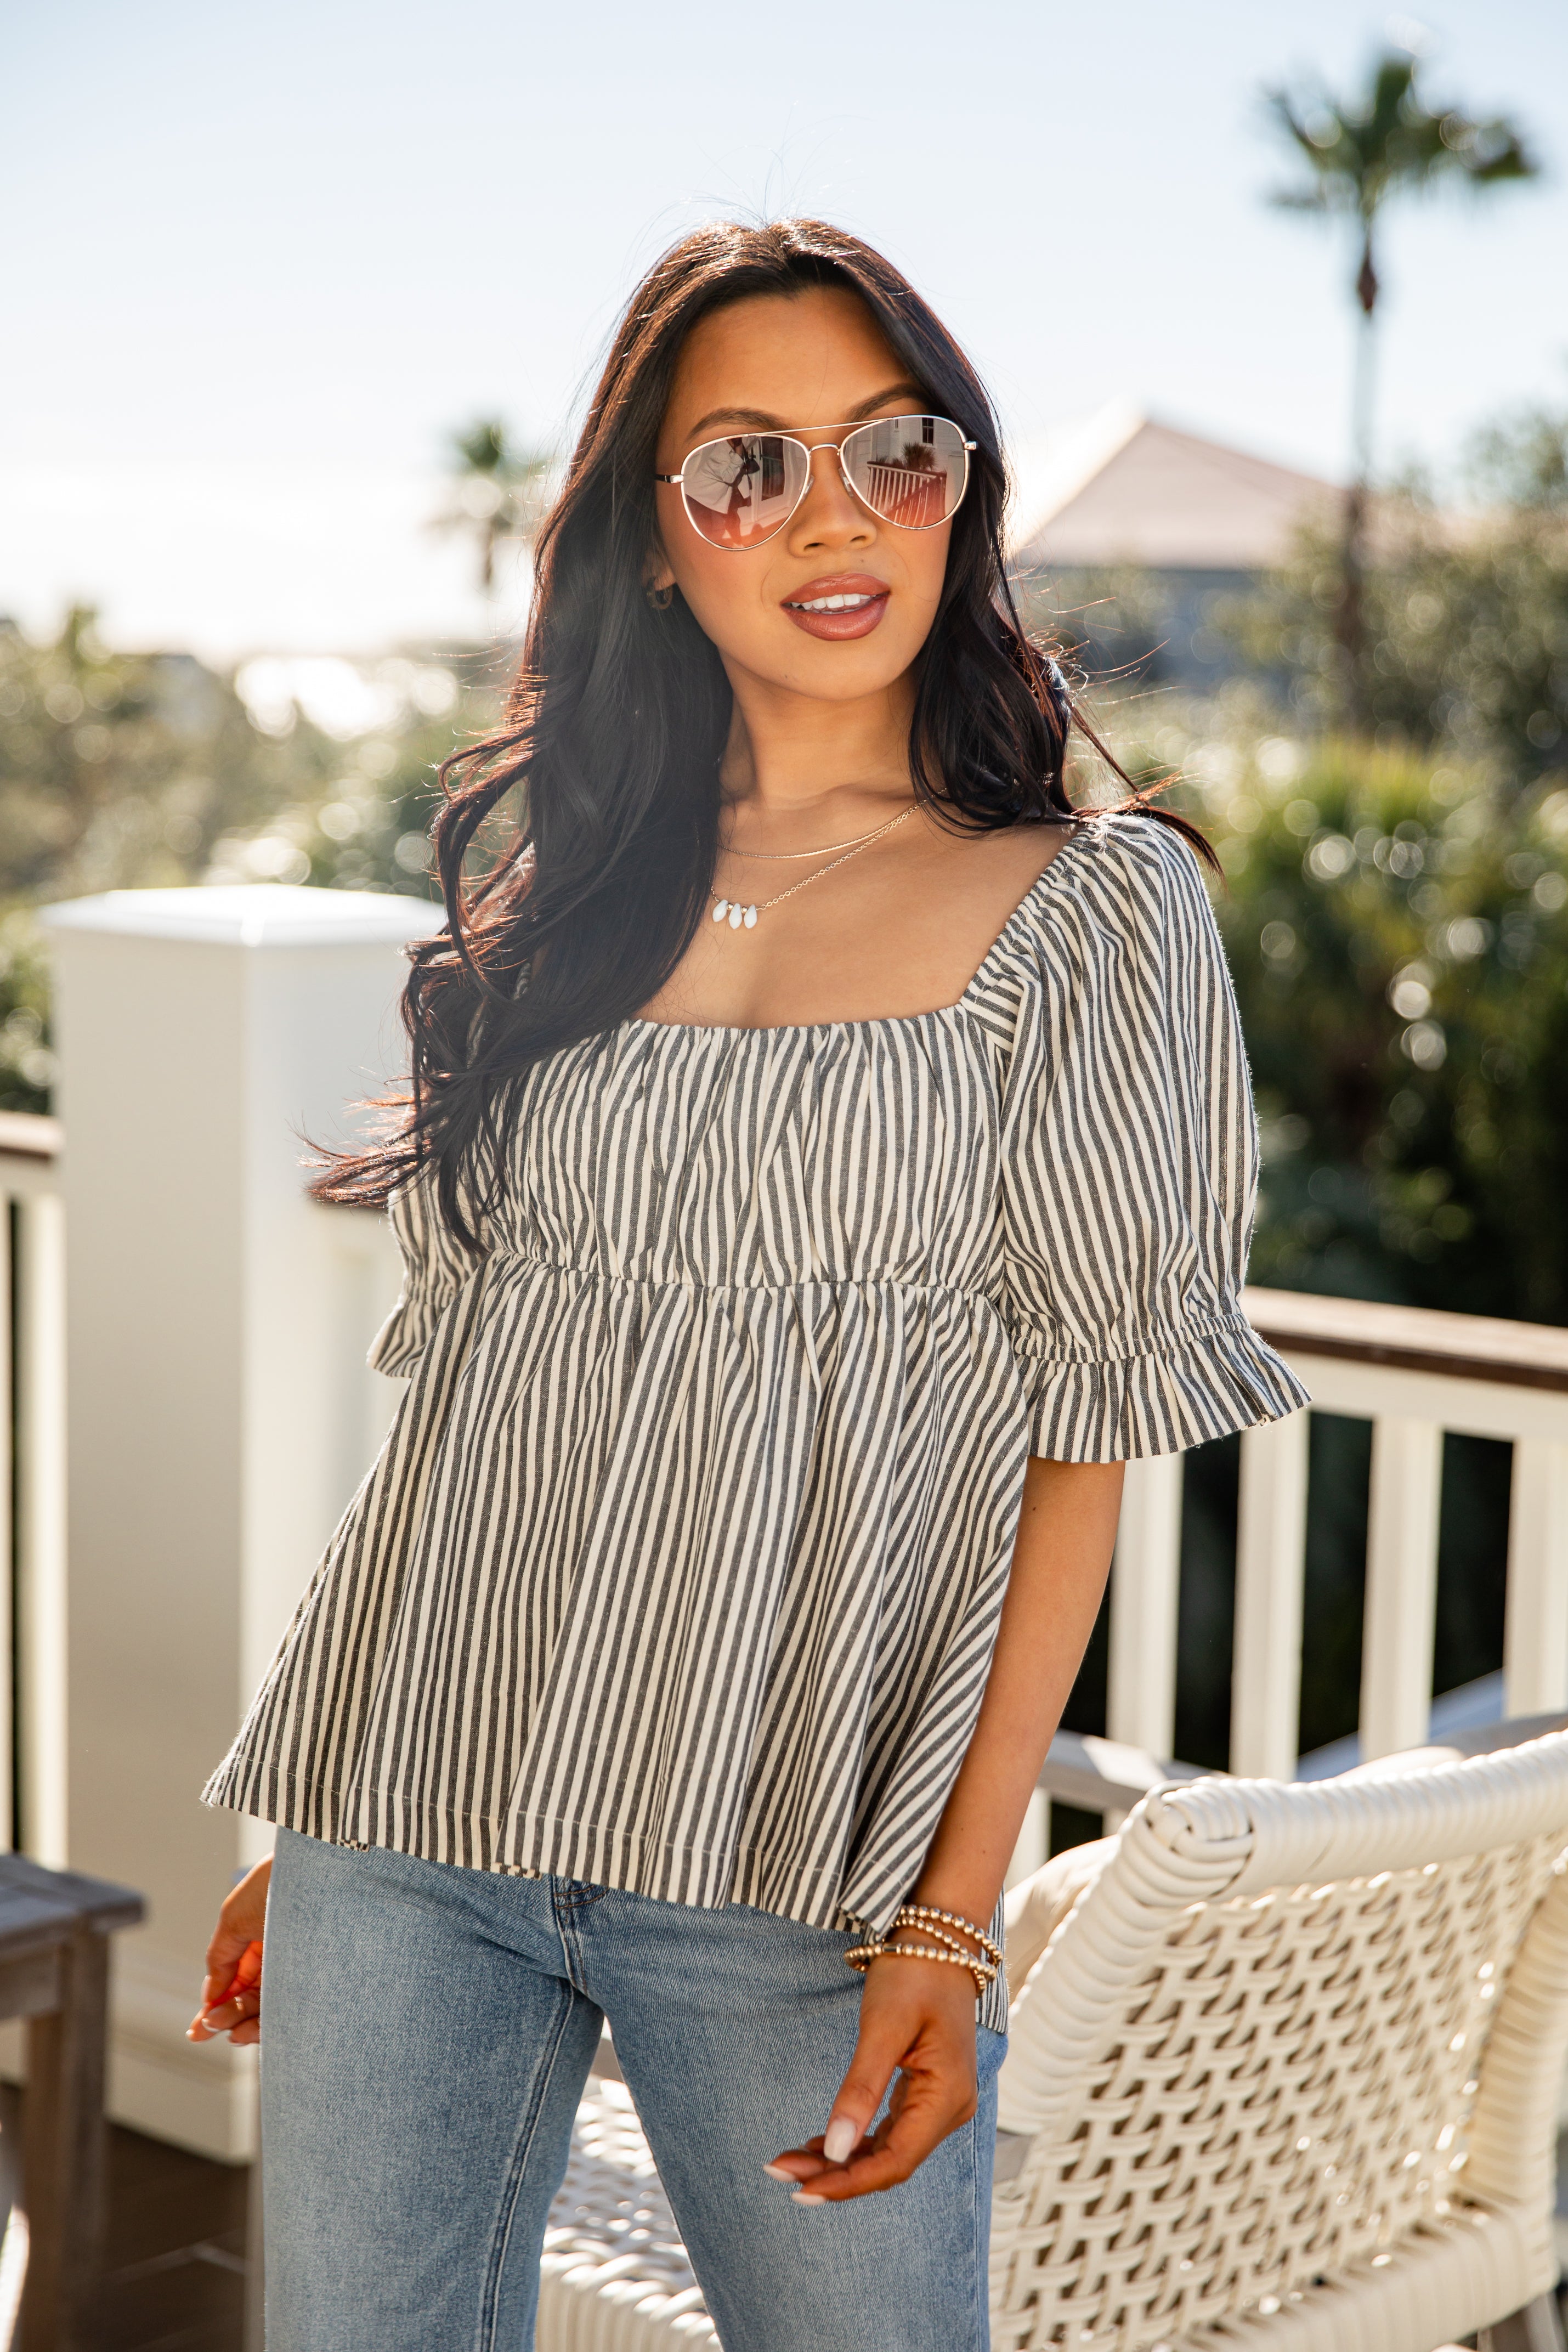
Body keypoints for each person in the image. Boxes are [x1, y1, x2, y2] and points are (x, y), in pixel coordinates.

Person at [189, 218, 1307, 2351]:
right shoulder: (568, 899)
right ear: (651, 534)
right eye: (748, 465)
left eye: (895, 448)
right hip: (408, 1823)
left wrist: (956, 1922)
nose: (834, 516)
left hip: (797, 1865)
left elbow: (1082, 1445)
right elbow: (480, 1394)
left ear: (962, 484)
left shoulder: (1096, 912)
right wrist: (331, 1802)